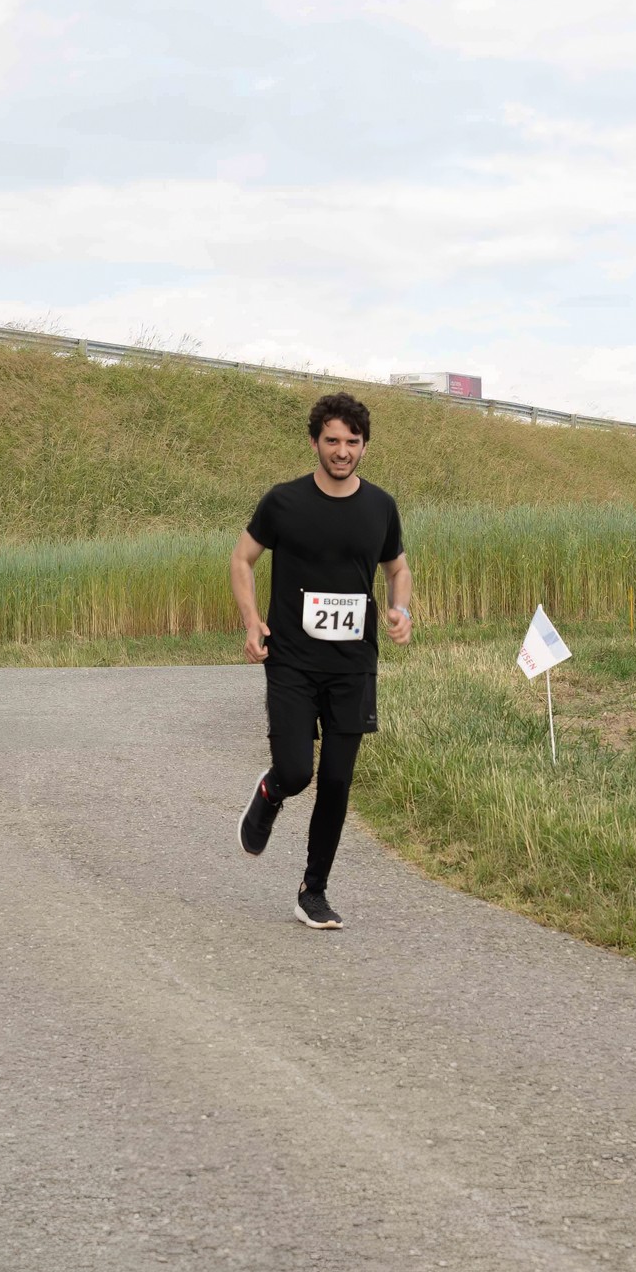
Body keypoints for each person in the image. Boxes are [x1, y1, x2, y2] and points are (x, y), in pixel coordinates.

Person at [231, 392, 413, 928]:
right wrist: (251, 621)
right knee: (296, 771)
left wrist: (401, 609)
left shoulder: (380, 507)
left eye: (352, 441)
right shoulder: (283, 502)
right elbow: (241, 559)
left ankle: (313, 890)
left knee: (336, 781)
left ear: (365, 446)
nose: (342, 451)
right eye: (332, 440)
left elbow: (398, 568)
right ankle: (271, 790)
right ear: (314, 442)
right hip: (291, 658)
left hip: (353, 664)